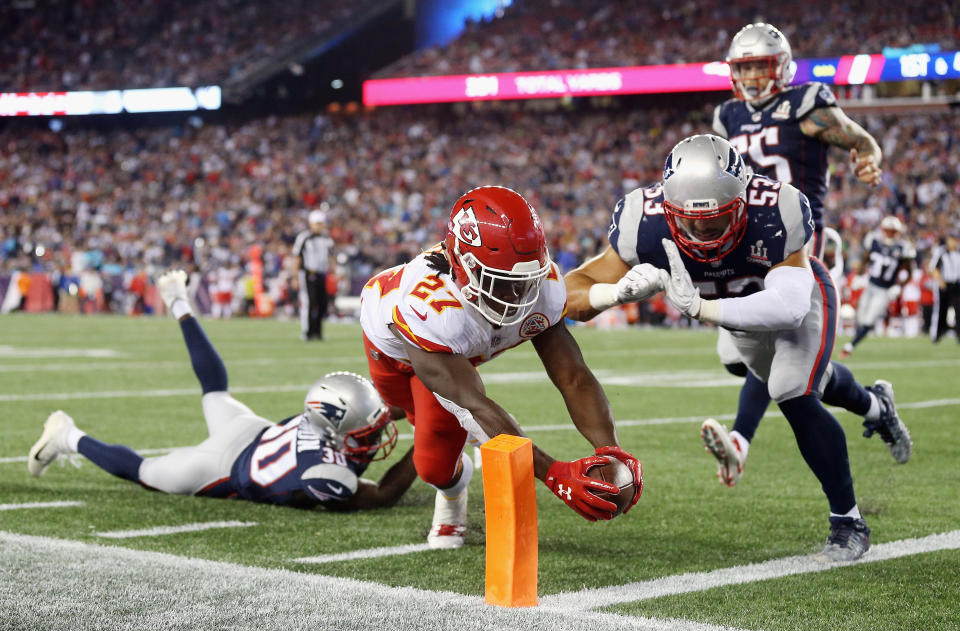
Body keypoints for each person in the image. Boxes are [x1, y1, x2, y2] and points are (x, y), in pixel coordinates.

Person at [564, 135, 912, 560]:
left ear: (742, 200)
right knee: (774, 370)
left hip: (800, 298)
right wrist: (612, 294)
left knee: (791, 388)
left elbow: (788, 307)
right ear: (668, 208)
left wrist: (704, 309)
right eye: (688, 220)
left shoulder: (777, 208)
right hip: (733, 315)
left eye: (715, 219)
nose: (701, 231)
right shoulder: (643, 219)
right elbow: (570, 291)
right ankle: (877, 407)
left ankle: (848, 522)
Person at [359, 185, 643, 549]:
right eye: (501, 283)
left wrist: (610, 449)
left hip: (456, 355)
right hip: (396, 350)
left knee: (432, 463)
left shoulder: (541, 285)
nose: (518, 296)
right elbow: (473, 405)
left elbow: (572, 376)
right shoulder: (430, 307)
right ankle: (425, 445)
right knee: (429, 414)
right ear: (463, 265)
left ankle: (449, 485)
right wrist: (554, 474)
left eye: (526, 282)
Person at [28, 270, 416, 511]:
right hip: (221, 465)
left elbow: (373, 415)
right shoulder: (325, 473)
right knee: (143, 470)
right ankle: (67, 436)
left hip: (251, 431)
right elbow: (382, 494)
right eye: (366, 431)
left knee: (215, 390)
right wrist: (430, 445)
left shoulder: (326, 416)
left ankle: (179, 301)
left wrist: (433, 410)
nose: (378, 432)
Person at [703, 21, 886, 483]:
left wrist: (867, 154)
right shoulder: (727, 117)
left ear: (780, 66)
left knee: (782, 359)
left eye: (759, 65)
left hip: (798, 247)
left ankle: (741, 441)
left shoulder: (805, 104)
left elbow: (856, 136)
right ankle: (873, 404)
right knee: (753, 359)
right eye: (742, 67)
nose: (750, 77)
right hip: (744, 251)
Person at [839, 216, 915, 358]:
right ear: (883, 230)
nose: (890, 234)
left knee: (869, 321)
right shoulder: (874, 242)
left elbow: (909, 273)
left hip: (884, 290)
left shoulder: (902, 248)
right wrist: (859, 275)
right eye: (888, 230)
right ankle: (855, 340)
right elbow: (865, 260)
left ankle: (850, 346)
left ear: (897, 232)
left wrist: (899, 286)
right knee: (861, 318)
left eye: (892, 231)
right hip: (870, 285)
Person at [292, 206, 334, 341]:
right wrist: (295, 277)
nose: (320, 226)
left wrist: (333, 270)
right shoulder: (304, 237)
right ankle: (307, 332)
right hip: (308, 274)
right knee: (310, 303)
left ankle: (318, 332)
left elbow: (330, 256)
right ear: (311, 224)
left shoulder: (326, 238)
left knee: (322, 304)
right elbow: (297, 257)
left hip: (321, 274)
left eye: (322, 223)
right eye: (318, 223)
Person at [930, 233, 960, 344]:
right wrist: (940, 282)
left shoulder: (958, 253)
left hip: (956, 285)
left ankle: (959, 335)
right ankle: (936, 335)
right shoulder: (942, 252)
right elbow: (934, 268)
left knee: (958, 311)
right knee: (941, 310)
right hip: (944, 284)